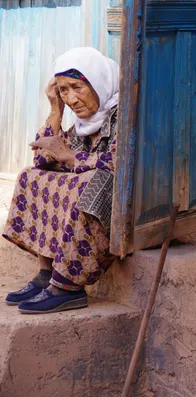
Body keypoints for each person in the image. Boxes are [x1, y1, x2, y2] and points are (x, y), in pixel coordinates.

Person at [2, 47, 119, 314]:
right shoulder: (82, 123)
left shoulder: (123, 114)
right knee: (32, 178)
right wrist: (55, 110)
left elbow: (116, 165)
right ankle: (47, 273)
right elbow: (42, 161)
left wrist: (69, 157)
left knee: (87, 183)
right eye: (64, 91)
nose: (72, 99)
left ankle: (68, 286)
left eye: (77, 87)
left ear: (98, 81)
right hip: (91, 199)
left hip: (122, 204)